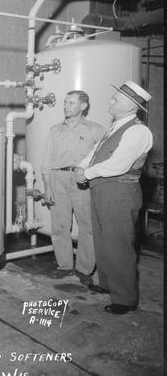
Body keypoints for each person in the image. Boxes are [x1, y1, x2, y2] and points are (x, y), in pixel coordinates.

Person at [76, 81, 153, 315]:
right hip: (101, 189)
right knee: (102, 240)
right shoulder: (116, 126)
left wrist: (87, 173)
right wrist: (82, 167)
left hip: (120, 192)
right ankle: (107, 284)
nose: (110, 102)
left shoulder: (138, 131)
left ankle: (125, 299)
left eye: (115, 100)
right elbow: (95, 153)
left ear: (131, 106)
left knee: (119, 245)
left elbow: (117, 165)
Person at [41, 90, 105, 282]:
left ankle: (84, 269)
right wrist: (47, 187)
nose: (66, 106)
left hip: (83, 181)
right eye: (65, 102)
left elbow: (103, 159)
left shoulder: (96, 129)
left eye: (71, 103)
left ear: (83, 106)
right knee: (60, 225)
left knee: (87, 226)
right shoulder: (55, 129)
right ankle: (64, 266)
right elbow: (47, 160)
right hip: (58, 178)